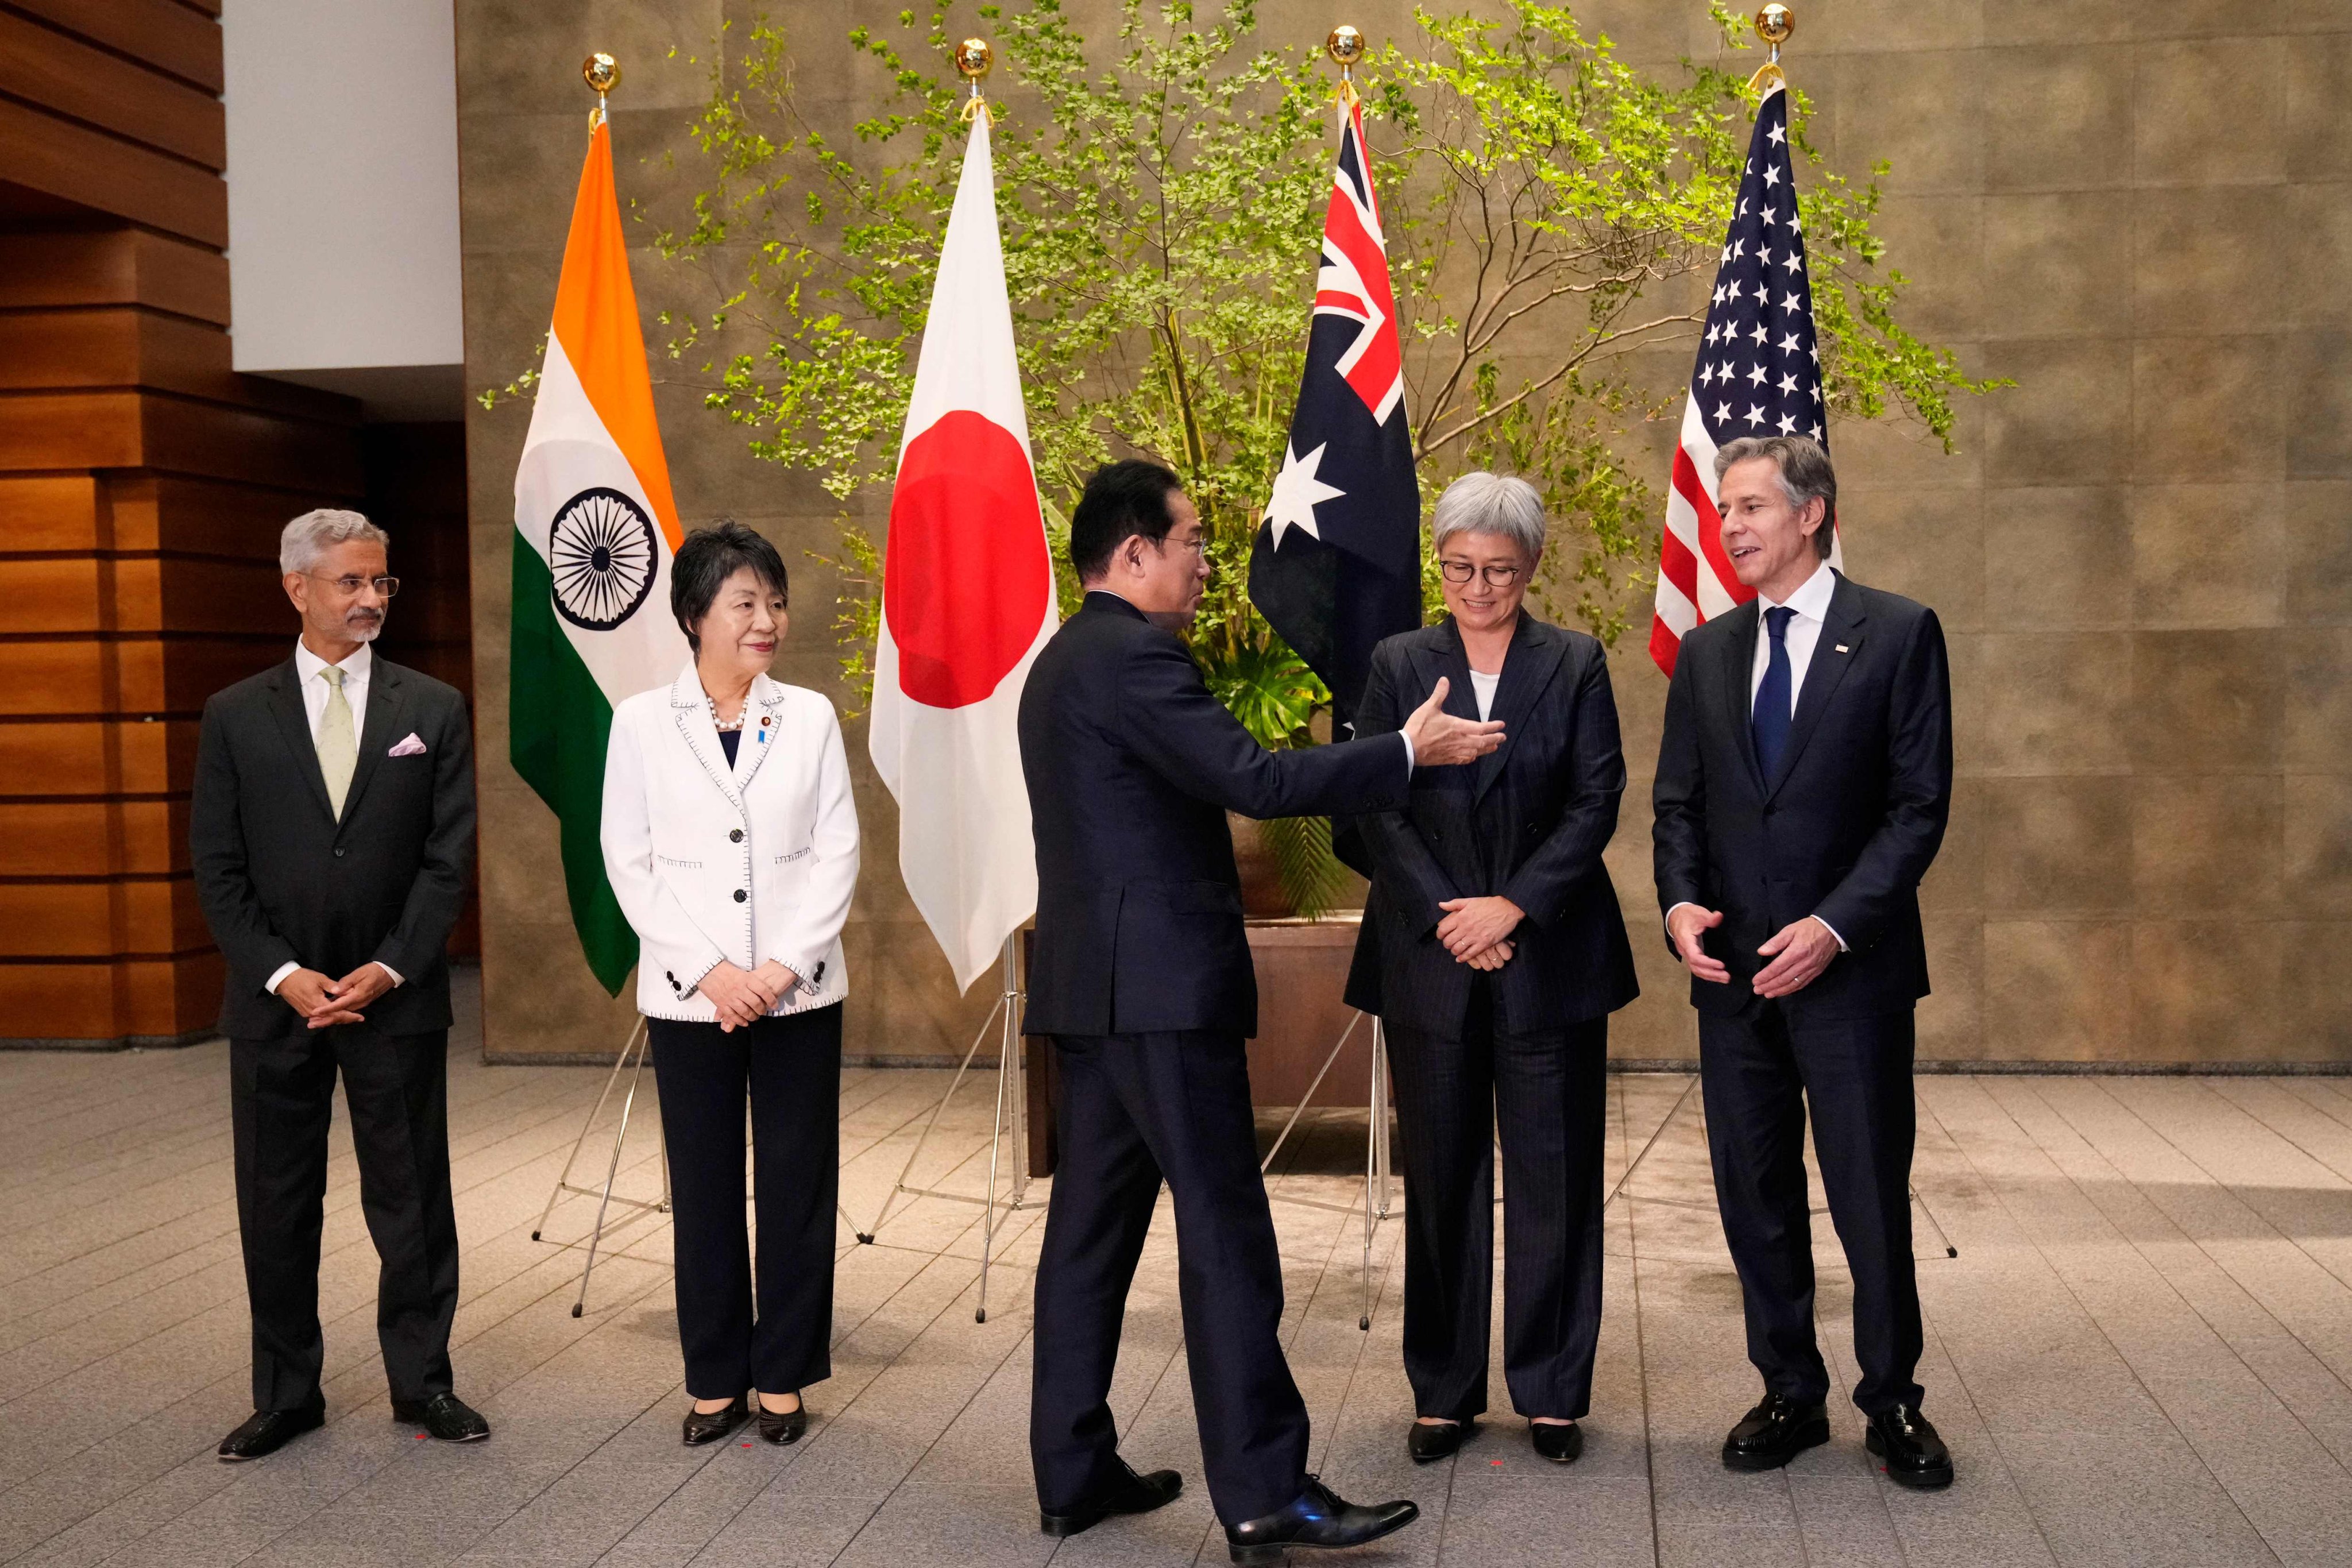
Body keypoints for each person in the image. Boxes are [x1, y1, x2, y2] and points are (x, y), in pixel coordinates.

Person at [1018, 459, 1505, 1566]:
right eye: (1188, 540)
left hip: (1091, 998)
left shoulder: (1058, 663)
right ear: (1133, 552)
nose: (1202, 561)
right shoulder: (1140, 658)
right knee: (1229, 1235)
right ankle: (1265, 1494)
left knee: (1088, 1238)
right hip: (1162, 1000)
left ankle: (1073, 1469)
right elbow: (1260, 782)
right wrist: (1402, 751)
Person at [1651, 434, 1955, 1489]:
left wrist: (1832, 926)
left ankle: (1893, 1401)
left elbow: (1918, 811)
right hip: (1733, 981)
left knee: (1869, 1187)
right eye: (1725, 509)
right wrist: (1683, 903)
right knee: (1754, 1190)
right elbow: (1679, 805)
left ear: (1811, 512)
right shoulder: (1708, 650)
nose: (1728, 527)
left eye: (1748, 507)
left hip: (1851, 974)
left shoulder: (1900, 634)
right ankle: (1790, 1387)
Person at [1342, 473, 1639, 1467]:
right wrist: (1449, 915)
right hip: (1430, 957)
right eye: (1462, 567)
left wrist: (1511, 905)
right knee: (1441, 1177)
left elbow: (1597, 798)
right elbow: (1372, 804)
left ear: (1532, 567)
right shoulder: (1395, 661)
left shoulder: (1577, 660)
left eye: (1501, 571)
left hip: (1545, 951)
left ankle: (1552, 1389)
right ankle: (1443, 1389)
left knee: (1555, 1174)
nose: (1479, 588)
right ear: (1441, 562)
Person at [190, 508, 482, 1460]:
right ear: (297, 587)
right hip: (278, 1003)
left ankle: (423, 1382)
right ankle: (286, 1392)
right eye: (352, 582)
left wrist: (393, 963)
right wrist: (281, 973)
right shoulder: (235, 714)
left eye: (382, 583)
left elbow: (449, 860)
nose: (371, 600)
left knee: (412, 1198)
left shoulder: (431, 708)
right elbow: (217, 866)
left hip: (395, 996)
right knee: (276, 1201)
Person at [600, 520, 859, 1448]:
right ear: (693, 614)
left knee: (796, 1180)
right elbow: (628, 859)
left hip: (799, 989)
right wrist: (711, 972)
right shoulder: (638, 722)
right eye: (746, 603)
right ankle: (715, 1375)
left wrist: (779, 968)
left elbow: (837, 850)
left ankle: (783, 1373)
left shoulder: (812, 715)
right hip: (691, 994)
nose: (768, 620)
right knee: (704, 1184)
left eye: (775, 602)